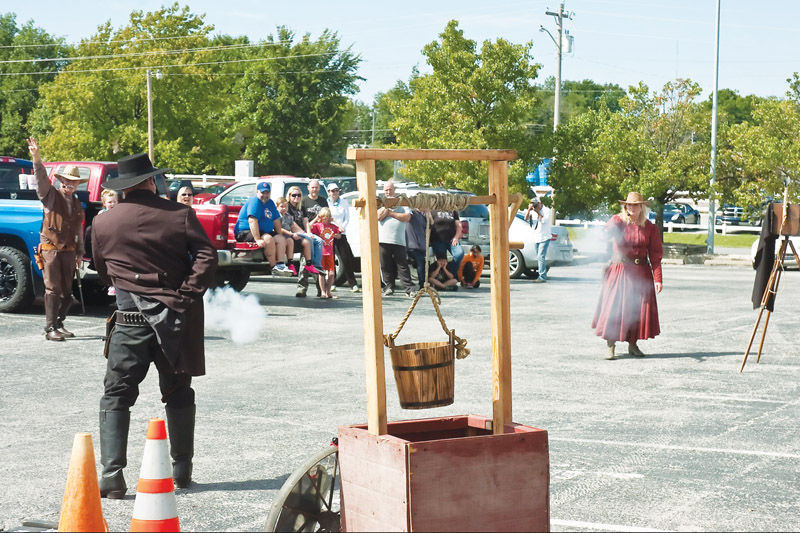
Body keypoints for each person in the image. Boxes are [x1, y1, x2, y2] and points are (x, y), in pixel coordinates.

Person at [91, 152, 218, 498]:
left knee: (116, 396)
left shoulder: (103, 222)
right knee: (178, 392)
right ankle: (182, 471)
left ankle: (112, 476)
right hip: (173, 320)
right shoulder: (180, 214)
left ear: (124, 187)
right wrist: (186, 293)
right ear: (150, 181)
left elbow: (103, 271)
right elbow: (208, 256)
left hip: (128, 320)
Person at [27, 137, 87, 341]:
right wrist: (36, 157)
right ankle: (50, 327)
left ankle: (59, 323)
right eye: (67, 181)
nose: (70, 185)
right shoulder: (50, 195)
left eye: (74, 182)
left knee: (68, 292)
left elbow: (79, 229)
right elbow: (42, 178)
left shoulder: (77, 203)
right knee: (52, 289)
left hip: (69, 251)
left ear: (77, 184)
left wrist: (80, 252)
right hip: (51, 249)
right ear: (61, 181)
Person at [591, 191, 663, 360]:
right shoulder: (618, 221)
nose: (632, 208)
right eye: (629, 205)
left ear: (642, 207)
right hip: (620, 270)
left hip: (641, 272)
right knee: (614, 307)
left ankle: (633, 344)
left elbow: (656, 255)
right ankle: (610, 345)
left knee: (638, 310)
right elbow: (605, 233)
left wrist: (658, 278)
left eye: (636, 205)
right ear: (625, 206)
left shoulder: (650, 227)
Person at [233, 181, 292, 276]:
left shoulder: (270, 203)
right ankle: (273, 267)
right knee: (268, 238)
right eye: (262, 192)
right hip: (245, 232)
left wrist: (278, 233)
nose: (265, 195)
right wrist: (257, 239)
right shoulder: (254, 202)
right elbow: (252, 221)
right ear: (257, 192)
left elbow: (276, 220)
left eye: (267, 192)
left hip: (262, 231)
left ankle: (280, 264)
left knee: (281, 238)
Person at [287, 185, 324, 297]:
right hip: (293, 235)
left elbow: (305, 222)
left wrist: (309, 233)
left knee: (319, 241)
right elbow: (292, 225)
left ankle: (316, 265)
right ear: (289, 196)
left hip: (303, 234)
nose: (296, 197)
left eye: (298, 195)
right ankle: (302, 287)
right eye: (293, 195)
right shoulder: (287, 207)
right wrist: (306, 234)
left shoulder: (301, 207)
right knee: (308, 255)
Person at [378, 180, 414, 297]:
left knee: (402, 265)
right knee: (385, 265)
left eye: (390, 189)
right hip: (383, 239)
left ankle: (409, 289)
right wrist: (386, 209)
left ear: (395, 190)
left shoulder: (402, 202)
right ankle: (388, 287)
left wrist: (391, 214)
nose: (388, 192)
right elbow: (378, 217)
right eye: (386, 190)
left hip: (399, 240)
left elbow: (407, 217)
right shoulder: (380, 203)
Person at [327, 182, 359, 292]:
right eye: (332, 191)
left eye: (336, 190)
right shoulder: (326, 203)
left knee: (346, 258)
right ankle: (332, 283)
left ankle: (353, 283)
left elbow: (347, 217)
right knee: (330, 258)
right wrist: (331, 231)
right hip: (329, 233)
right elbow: (326, 218)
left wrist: (341, 230)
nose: (334, 193)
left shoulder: (344, 202)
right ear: (328, 192)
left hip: (341, 233)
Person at [276, 196, 320, 277]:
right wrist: (292, 234)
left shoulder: (288, 215)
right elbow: (279, 229)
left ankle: (309, 264)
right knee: (290, 240)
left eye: (286, 206)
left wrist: (304, 234)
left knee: (306, 242)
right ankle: (290, 264)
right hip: (281, 236)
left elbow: (293, 226)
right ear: (277, 206)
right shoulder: (277, 216)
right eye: (281, 206)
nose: (284, 208)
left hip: (290, 234)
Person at [311, 208, 340, 299]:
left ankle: (328, 291)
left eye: (327, 217)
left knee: (331, 273)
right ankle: (323, 292)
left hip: (330, 253)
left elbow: (341, 231)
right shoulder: (318, 225)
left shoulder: (332, 226)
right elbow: (309, 226)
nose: (326, 219)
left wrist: (335, 221)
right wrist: (316, 218)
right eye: (324, 217)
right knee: (322, 273)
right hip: (321, 252)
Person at [524, 197, 552, 282]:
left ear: (540, 203)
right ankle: (541, 274)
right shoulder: (533, 211)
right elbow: (526, 218)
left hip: (544, 237)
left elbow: (543, 220)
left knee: (541, 256)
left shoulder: (547, 210)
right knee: (539, 257)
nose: (535, 206)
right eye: (533, 204)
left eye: (536, 204)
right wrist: (529, 210)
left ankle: (542, 277)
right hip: (536, 237)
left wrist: (538, 212)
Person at [430, 208, 464, 276]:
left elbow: (459, 225)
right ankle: (442, 279)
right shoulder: (432, 210)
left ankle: (451, 274)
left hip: (451, 239)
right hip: (437, 240)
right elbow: (428, 225)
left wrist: (456, 237)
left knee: (459, 254)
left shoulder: (453, 210)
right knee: (442, 261)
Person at [405, 209, 430, 290]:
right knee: (420, 265)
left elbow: (430, 225)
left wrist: (428, 214)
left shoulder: (423, 216)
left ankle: (422, 283)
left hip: (421, 246)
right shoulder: (411, 213)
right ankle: (421, 284)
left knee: (422, 265)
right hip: (413, 246)